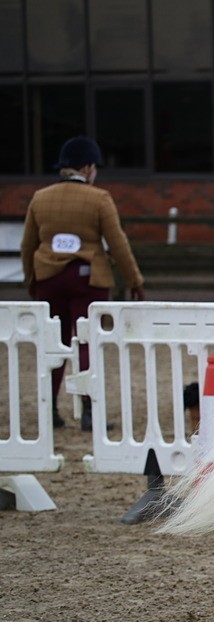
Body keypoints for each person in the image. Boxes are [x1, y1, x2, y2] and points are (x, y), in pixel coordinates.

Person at [21, 136, 145, 431]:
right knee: (88, 342)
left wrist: (32, 281)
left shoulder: (40, 197)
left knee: (53, 342)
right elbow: (118, 245)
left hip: (48, 279)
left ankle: (49, 408)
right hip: (88, 279)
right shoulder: (99, 198)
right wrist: (134, 281)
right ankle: (90, 412)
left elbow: (28, 245)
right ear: (88, 167)